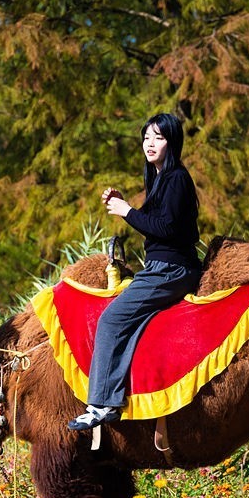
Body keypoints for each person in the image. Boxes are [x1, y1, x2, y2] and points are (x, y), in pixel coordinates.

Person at [68, 113, 201, 430]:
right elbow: (156, 225)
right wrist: (123, 205)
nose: (150, 143)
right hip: (161, 266)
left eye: (158, 137)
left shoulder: (177, 179)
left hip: (171, 269)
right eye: (146, 137)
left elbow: (166, 228)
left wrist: (127, 212)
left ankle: (102, 404)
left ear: (172, 142)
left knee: (112, 319)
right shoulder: (158, 180)